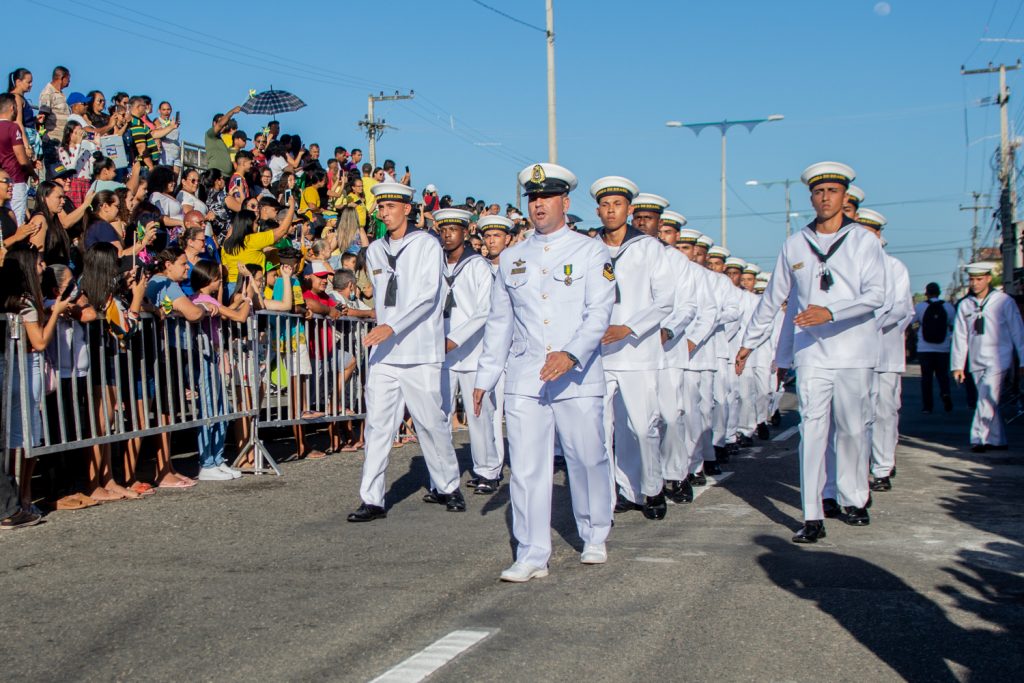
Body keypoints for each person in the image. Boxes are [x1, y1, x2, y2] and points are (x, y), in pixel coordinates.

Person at [473, 162, 616, 581]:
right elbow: (499, 322)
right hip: (527, 375)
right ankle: (532, 552)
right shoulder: (513, 257)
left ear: (564, 202)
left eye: (546, 198)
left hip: (577, 374)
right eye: (533, 199)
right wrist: (485, 378)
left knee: (586, 457)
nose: (538, 205)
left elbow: (599, 312)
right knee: (528, 467)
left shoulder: (590, 251)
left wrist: (571, 354)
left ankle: (594, 533)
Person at [737, 161, 886, 543]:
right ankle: (812, 513)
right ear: (812, 197)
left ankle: (854, 498)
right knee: (813, 430)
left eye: (832, 192)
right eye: (819, 192)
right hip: (812, 353)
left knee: (853, 430)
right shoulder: (795, 243)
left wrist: (831, 311)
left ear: (844, 197)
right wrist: (749, 343)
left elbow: (876, 295)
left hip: (853, 351)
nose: (825, 198)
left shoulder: (863, 241)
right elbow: (773, 299)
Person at [347, 181, 465, 522]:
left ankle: (447, 485)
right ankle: (372, 498)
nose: (385, 213)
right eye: (381, 208)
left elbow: (429, 296)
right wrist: (383, 326)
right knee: (378, 425)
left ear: (407, 209)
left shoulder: (427, 244)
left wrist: (392, 326)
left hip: (420, 350)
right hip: (385, 354)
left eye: (391, 207)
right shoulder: (375, 251)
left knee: (430, 423)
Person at [588, 179, 674, 520]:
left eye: (617, 204)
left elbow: (665, 301)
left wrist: (628, 327)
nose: (611, 210)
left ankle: (651, 489)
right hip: (598, 354)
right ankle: (616, 493)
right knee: (601, 429)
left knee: (641, 427)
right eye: (605, 204)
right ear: (598, 210)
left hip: (638, 352)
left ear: (629, 210)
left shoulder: (649, 249)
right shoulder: (588, 246)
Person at [434, 208, 501, 493]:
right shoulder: (435, 265)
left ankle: (487, 470)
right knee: (440, 414)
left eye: (453, 230)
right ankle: (442, 478)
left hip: (472, 352)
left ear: (465, 232)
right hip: (441, 353)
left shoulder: (478, 266)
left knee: (478, 414)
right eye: (443, 230)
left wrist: (454, 339)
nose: (447, 235)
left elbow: (485, 311)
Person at [656, 214, 716, 504]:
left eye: (669, 232)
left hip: (675, 350)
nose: (663, 235)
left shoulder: (693, 271)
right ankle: (645, 480)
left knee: (674, 415)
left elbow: (704, 311)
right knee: (639, 422)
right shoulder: (638, 256)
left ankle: (677, 474)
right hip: (637, 353)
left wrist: (683, 336)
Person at [857, 208, 914, 492]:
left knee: (885, 411)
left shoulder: (895, 267)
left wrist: (869, 323)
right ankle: (860, 466)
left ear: (879, 236)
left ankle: (882, 466)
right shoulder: (850, 265)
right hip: (854, 353)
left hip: (886, 353)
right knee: (858, 413)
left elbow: (902, 308)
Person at [950, 261, 1024, 452]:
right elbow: (960, 336)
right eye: (972, 279)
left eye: (979, 279)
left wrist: (1022, 359)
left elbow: (1018, 331)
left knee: (985, 397)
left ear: (989, 279)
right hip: (976, 359)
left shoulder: (1004, 301)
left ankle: (978, 438)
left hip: (999, 357)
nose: (975, 283)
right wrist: (958, 365)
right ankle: (998, 439)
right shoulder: (965, 305)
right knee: (989, 399)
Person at [914, 282, 956, 413]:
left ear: (926, 293)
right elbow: (953, 324)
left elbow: (910, 321)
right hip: (943, 347)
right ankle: (945, 393)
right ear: (939, 292)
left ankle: (927, 406)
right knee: (943, 375)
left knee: (926, 378)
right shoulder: (948, 307)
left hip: (924, 348)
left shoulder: (920, 307)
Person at [0, 93, 34, 225]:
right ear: (12, 108)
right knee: (16, 224)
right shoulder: (12, 127)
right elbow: (22, 160)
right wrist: (33, 172)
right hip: (15, 180)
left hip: (1, 181)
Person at [205, 106, 242, 176]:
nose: (224, 126)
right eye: (223, 122)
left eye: (226, 125)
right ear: (214, 123)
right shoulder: (210, 134)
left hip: (226, 178)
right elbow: (220, 124)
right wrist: (232, 111)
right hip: (216, 176)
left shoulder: (222, 140)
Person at [38, 66, 71, 141]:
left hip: (61, 140)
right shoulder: (48, 93)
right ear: (62, 78)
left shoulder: (60, 93)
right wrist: (41, 136)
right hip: (51, 139)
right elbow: (42, 118)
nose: (69, 81)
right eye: (68, 78)